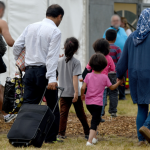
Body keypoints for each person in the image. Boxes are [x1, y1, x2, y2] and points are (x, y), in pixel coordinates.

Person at [13, 4, 64, 143]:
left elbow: (17, 45)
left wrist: (20, 62)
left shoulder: (31, 26)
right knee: (52, 105)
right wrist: (52, 78)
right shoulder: (55, 31)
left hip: (29, 71)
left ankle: (22, 134)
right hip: (45, 72)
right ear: (59, 17)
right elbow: (52, 57)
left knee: (28, 104)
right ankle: (49, 138)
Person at [116, 8, 150, 146]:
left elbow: (122, 61)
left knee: (142, 107)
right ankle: (147, 127)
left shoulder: (132, 37)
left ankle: (141, 141)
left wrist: (120, 76)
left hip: (136, 77)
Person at [81, 53, 122, 146]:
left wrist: (82, 95)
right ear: (104, 67)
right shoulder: (104, 77)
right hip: (98, 103)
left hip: (88, 103)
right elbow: (111, 88)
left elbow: (83, 88)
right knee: (95, 121)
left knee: (96, 118)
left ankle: (94, 138)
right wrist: (119, 83)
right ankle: (89, 141)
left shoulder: (88, 76)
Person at [57, 37, 90, 140]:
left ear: (65, 47)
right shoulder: (76, 62)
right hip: (74, 93)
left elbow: (57, 76)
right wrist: (76, 92)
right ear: (76, 50)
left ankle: (61, 134)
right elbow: (75, 77)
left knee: (63, 115)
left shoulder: (59, 61)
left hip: (63, 93)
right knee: (81, 114)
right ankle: (87, 133)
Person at [86, 38, 115, 122]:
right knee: (102, 98)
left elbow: (88, 67)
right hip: (103, 82)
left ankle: (94, 113)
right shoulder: (109, 58)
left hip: (92, 81)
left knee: (93, 96)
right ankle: (99, 115)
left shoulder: (94, 57)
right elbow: (113, 68)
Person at [103, 14, 128, 100]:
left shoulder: (122, 30)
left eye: (117, 20)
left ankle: (122, 95)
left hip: (122, 57)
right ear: (111, 22)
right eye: (114, 21)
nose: (116, 22)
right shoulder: (108, 30)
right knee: (111, 78)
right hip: (111, 60)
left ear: (120, 22)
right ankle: (110, 94)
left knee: (122, 75)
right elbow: (103, 42)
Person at [0, 1, 15, 123]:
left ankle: (6, 113)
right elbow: (10, 42)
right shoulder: (1, 22)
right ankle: (5, 114)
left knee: (0, 88)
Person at [105, 29, 122, 117]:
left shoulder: (103, 48)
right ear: (115, 38)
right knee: (114, 92)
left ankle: (102, 109)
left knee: (103, 91)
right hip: (114, 74)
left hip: (103, 73)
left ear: (106, 38)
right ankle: (113, 111)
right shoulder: (117, 49)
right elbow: (120, 62)